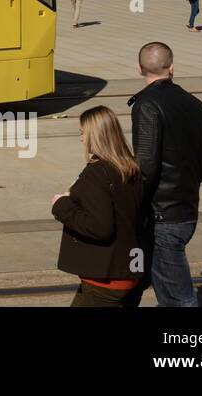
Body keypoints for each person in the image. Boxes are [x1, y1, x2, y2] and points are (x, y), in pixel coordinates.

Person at [128, 41, 202, 307]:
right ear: (172, 68)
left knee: (179, 300)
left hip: (162, 216)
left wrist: (132, 202)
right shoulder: (195, 104)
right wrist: (184, 183)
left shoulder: (146, 106)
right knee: (156, 286)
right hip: (186, 210)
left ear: (139, 69)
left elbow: (146, 166)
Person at [51, 106, 146, 307]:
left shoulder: (96, 174)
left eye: (83, 133)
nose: (81, 139)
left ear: (96, 136)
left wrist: (61, 204)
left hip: (105, 279)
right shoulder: (130, 168)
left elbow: (100, 227)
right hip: (129, 270)